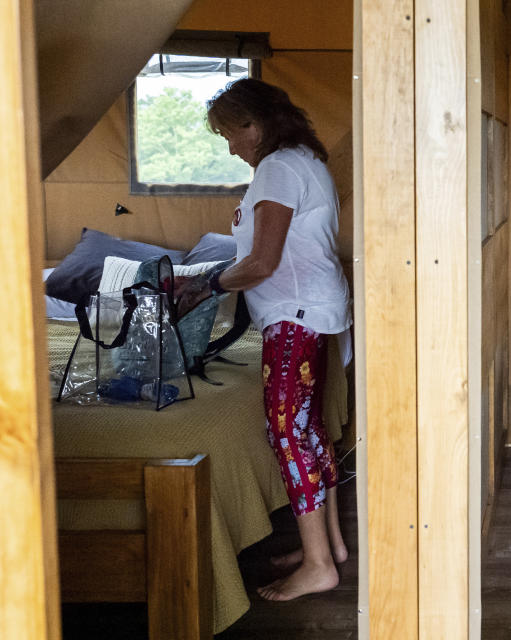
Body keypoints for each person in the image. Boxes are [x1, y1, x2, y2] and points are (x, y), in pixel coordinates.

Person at [177, 78, 352, 599]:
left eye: (230, 133)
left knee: (288, 434)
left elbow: (262, 261)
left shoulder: (277, 168)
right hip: (312, 310)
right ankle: (330, 546)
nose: (230, 146)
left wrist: (206, 284)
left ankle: (320, 565)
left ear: (255, 125)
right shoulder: (304, 160)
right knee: (308, 431)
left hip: (294, 317)